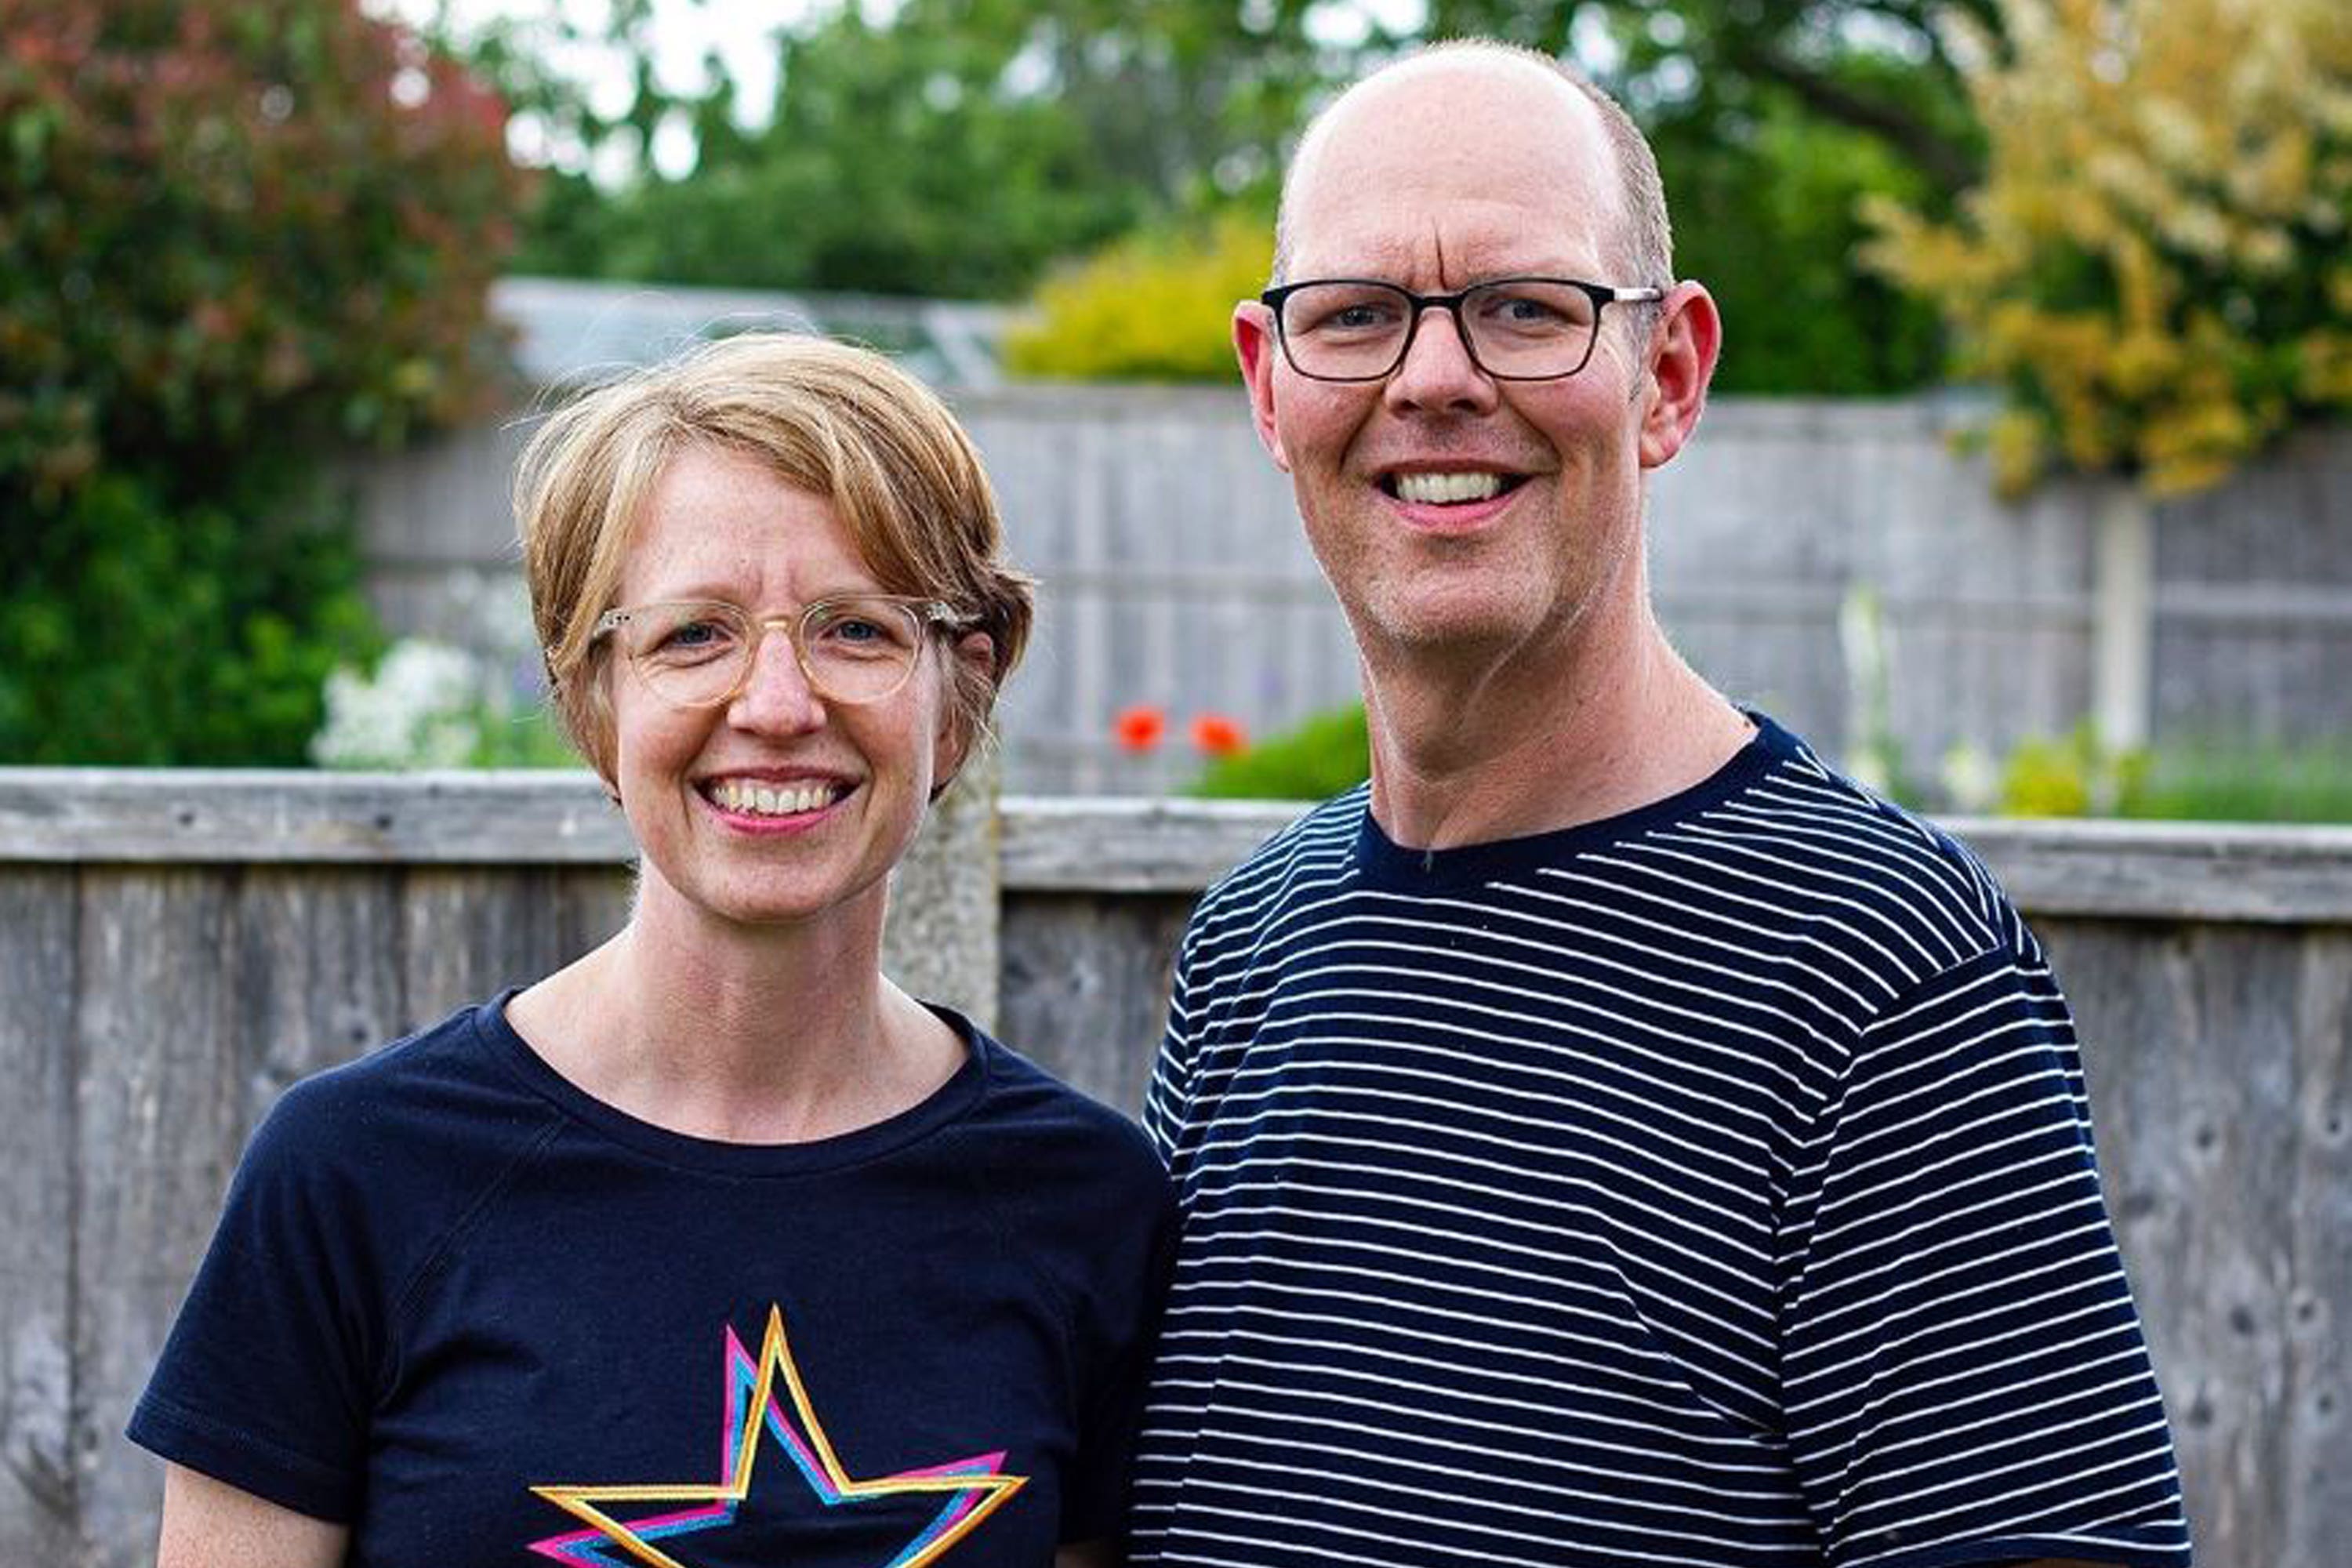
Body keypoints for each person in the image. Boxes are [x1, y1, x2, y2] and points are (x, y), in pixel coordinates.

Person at [1130, 40, 2192, 1568]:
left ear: (1667, 377)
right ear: (1270, 384)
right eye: (1356, 317)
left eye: (1523, 310)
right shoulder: (1254, 947)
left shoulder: (1876, 974)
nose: (1436, 379)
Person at [129, 333, 1174, 1568]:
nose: (778, 704)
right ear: (593, 699)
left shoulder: (1090, 1207)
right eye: (694, 635)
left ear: (963, 689)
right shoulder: (356, 1178)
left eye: (856, 629)